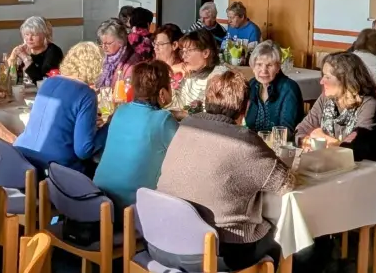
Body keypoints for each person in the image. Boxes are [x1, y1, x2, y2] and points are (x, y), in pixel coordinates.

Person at [158, 71, 292, 270]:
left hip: (163, 237)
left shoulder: (186, 126)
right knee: (283, 236)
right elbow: (285, 183)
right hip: (216, 249)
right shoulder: (244, 140)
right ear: (245, 108)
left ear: (206, 100)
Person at [93, 60, 179, 208]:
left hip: (98, 200)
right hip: (131, 209)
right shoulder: (163, 120)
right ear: (162, 92)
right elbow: (184, 155)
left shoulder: (120, 111)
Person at [13, 42, 106, 173]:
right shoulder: (86, 94)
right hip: (55, 170)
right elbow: (83, 150)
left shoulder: (49, 82)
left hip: (23, 158)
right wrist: (109, 126)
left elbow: (57, 121)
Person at [296, 52, 376, 157]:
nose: (321, 82)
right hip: (330, 163)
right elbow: (300, 130)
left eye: (327, 77)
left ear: (345, 80)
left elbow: (356, 148)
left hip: (365, 168)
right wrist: (307, 141)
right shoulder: (325, 98)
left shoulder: (368, 104)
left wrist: (323, 138)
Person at [244, 40, 302, 133]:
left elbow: (287, 131)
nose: (264, 70)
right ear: (253, 67)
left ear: (278, 67)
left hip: (278, 145)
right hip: (251, 143)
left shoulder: (289, 89)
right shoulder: (252, 85)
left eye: (269, 65)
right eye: (259, 64)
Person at [170, 30, 230, 112]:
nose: (183, 56)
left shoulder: (219, 75)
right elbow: (177, 105)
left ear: (205, 53)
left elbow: (210, 114)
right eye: (183, 52)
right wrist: (170, 71)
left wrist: (181, 115)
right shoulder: (189, 73)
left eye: (188, 51)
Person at [7, 16, 64, 84]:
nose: (29, 38)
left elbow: (41, 80)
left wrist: (25, 58)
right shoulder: (23, 49)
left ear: (45, 35)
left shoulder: (53, 51)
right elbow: (8, 75)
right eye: (26, 34)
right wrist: (13, 56)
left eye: (34, 35)